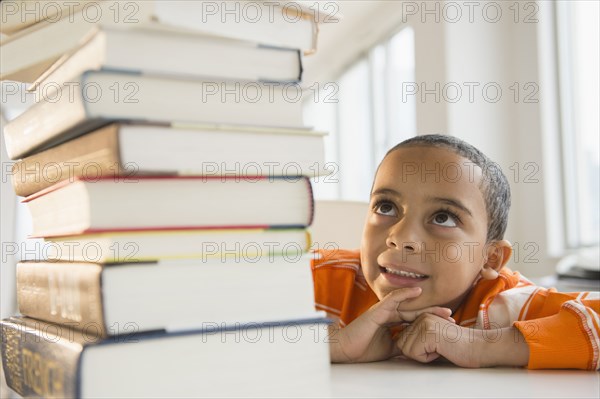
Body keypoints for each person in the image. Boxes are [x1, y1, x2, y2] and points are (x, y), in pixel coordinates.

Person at [311, 134, 599, 370]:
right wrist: (333, 345)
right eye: (386, 207)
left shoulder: (502, 302)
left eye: (442, 218)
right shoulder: (324, 279)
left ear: (490, 258)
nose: (401, 238)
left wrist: (481, 345)